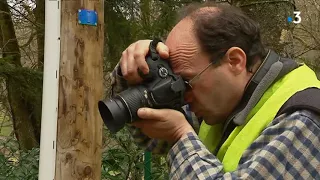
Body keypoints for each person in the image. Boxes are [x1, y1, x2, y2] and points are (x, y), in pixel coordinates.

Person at [108, 2, 320, 179]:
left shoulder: (304, 119)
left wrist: (180, 135)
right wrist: (132, 70)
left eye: (186, 81)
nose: (182, 95)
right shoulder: (228, 100)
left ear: (235, 61)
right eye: (175, 80)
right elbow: (153, 139)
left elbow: (179, 139)